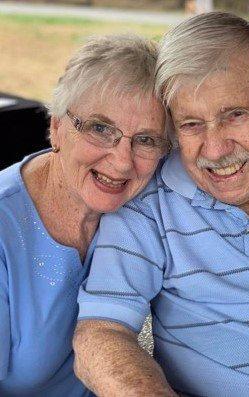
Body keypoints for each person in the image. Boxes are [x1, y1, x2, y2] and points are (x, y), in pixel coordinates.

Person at [74, 12, 249, 397]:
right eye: (191, 124)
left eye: (234, 115)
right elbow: (101, 332)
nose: (215, 149)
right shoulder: (149, 198)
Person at [0, 34, 168, 396]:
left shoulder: (147, 206)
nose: (122, 161)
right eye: (100, 128)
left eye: (146, 139)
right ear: (56, 126)